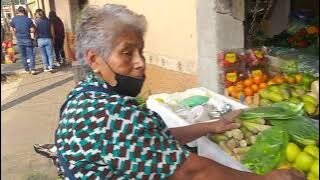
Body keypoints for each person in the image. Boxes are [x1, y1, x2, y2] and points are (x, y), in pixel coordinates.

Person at [54, 4, 305, 180]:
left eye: (141, 51)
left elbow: (149, 140)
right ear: (95, 59)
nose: (140, 62)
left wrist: (208, 127)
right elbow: (191, 172)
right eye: (127, 52)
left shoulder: (85, 94)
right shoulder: (110, 115)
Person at [10, 6, 36, 74]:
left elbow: (12, 29)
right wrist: (29, 30)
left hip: (19, 39)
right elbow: (32, 30)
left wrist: (15, 35)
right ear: (24, 11)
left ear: (18, 11)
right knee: (31, 54)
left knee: (23, 55)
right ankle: (32, 69)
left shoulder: (14, 19)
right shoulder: (28, 19)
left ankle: (26, 69)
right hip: (27, 38)